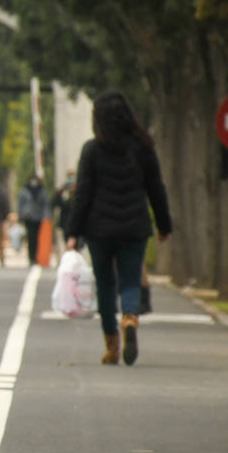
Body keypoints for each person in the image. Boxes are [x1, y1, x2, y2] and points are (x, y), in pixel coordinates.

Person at [64, 91, 172, 366]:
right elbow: (156, 189)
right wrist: (163, 225)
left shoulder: (92, 150)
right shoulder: (143, 147)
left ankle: (111, 345)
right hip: (134, 226)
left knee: (105, 284)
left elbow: (83, 194)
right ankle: (131, 318)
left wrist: (72, 231)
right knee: (130, 279)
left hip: (99, 229)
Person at [17, 172, 49, 265]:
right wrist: (20, 216)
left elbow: (45, 204)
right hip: (28, 217)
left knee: (36, 237)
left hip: (38, 217)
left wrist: (46, 216)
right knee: (30, 237)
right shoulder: (24, 190)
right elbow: (20, 204)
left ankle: (36, 256)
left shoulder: (41, 190)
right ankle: (31, 257)